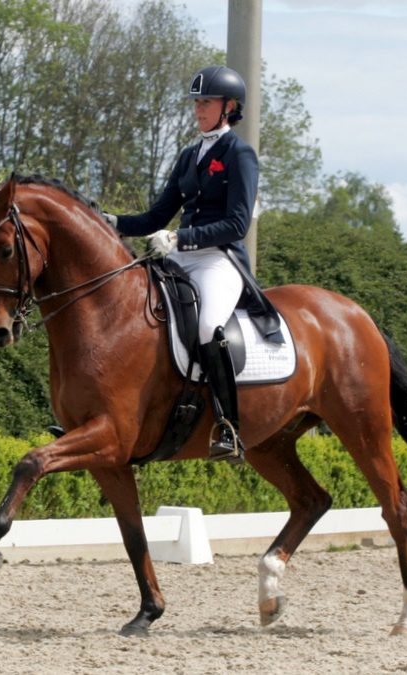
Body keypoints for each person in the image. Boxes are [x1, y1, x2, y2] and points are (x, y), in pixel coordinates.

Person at [104, 65, 259, 463]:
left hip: (218, 260)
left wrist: (181, 237)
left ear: (228, 107)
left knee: (208, 326)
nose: (198, 109)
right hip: (179, 255)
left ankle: (228, 427)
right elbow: (156, 217)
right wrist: (111, 222)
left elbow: (238, 224)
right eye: (197, 102)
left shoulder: (239, 154)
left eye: (206, 102)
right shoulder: (190, 155)